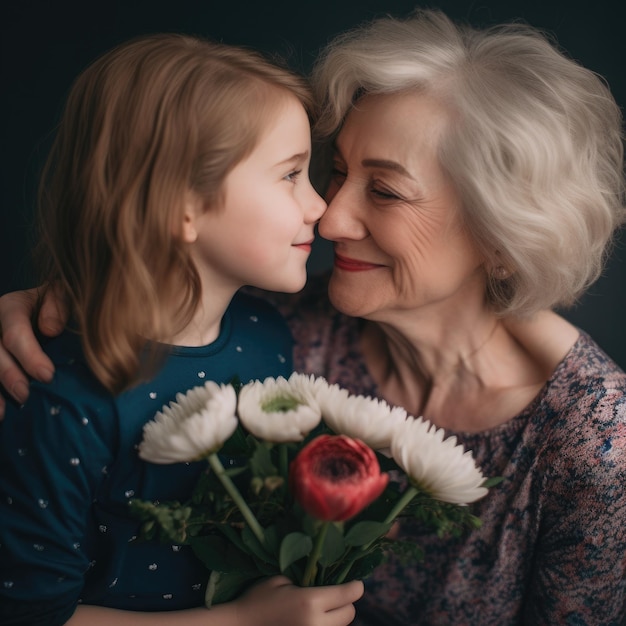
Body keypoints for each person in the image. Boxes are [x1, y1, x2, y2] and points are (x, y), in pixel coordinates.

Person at [1, 8, 625, 625]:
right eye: (335, 171)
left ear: (501, 231)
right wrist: (38, 308)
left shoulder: (594, 446)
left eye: (383, 191)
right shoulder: (279, 320)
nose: (328, 218)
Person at [0, 33, 364, 626]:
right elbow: (31, 613)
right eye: (291, 175)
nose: (320, 206)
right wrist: (243, 622)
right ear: (182, 207)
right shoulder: (64, 396)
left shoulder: (266, 332)